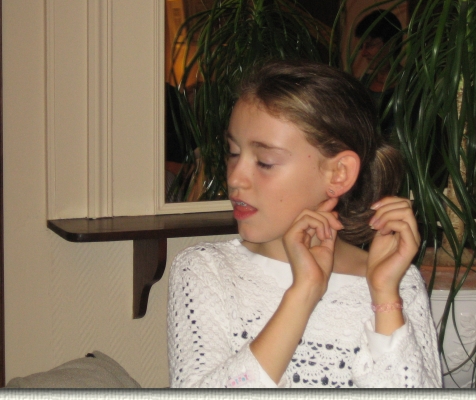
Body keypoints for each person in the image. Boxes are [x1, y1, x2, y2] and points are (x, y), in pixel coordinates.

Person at [167, 60, 442, 388]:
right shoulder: (206, 271)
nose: (236, 178)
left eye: (265, 162)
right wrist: (303, 293)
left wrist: (384, 295)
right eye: (233, 152)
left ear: (338, 174)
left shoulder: (398, 283)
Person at [355, 9, 403, 138]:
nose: (363, 53)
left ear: (392, 43)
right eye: (361, 47)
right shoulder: (359, 86)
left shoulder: (412, 87)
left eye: (370, 45)